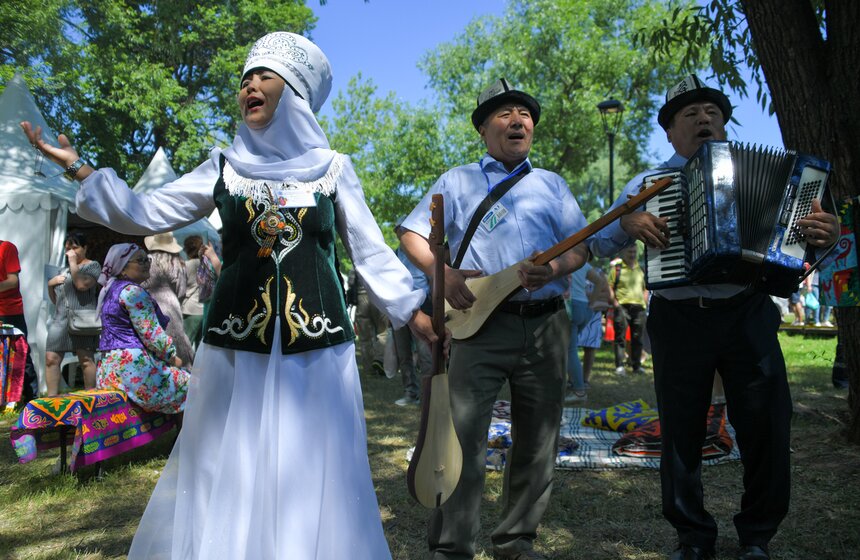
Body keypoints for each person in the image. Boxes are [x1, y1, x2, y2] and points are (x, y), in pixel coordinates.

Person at [23, 32, 436, 560]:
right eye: (244, 79)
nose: (249, 87)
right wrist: (79, 168)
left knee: (310, 467)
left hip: (317, 353)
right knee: (230, 463)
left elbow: (371, 252)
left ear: (295, 94)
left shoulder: (334, 169)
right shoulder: (223, 167)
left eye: (264, 77)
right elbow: (144, 212)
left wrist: (414, 312)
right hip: (236, 351)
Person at [589, 75, 840, 560]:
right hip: (679, 316)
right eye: (691, 114)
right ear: (669, 131)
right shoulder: (645, 184)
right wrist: (625, 221)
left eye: (713, 112)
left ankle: (757, 537)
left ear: (723, 123)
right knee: (681, 429)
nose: (705, 119)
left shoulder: (782, 176)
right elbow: (599, 243)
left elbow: (803, 245)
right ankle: (693, 536)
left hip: (747, 310)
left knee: (768, 421)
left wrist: (823, 232)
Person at [400, 78, 588, 560]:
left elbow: (581, 247)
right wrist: (440, 271)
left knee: (539, 438)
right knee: (461, 438)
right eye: (503, 114)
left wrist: (555, 267)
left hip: (546, 324)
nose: (517, 121)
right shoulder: (456, 181)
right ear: (484, 129)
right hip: (475, 322)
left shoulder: (553, 185)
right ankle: (451, 547)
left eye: (523, 115)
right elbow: (412, 234)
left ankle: (516, 542)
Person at [96, 243, 189, 414]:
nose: (147, 263)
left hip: (107, 371)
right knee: (192, 385)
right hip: (131, 371)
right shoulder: (132, 292)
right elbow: (152, 334)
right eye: (140, 260)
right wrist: (172, 357)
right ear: (122, 268)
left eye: (147, 259)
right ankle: (186, 439)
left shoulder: (110, 290)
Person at [44, 230, 101, 395]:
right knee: (51, 358)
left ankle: (90, 397)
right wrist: (50, 284)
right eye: (67, 247)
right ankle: (51, 400)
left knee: (85, 360)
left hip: (82, 320)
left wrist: (72, 262)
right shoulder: (64, 270)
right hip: (60, 320)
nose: (70, 251)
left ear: (85, 248)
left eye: (75, 247)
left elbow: (81, 285)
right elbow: (57, 300)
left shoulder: (93, 266)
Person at [392, 222, 433, 406]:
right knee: (403, 353)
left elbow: (432, 279)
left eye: (401, 228)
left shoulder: (423, 249)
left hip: (422, 305)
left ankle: (429, 397)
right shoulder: (394, 254)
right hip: (400, 306)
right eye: (397, 229)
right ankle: (410, 393)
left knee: (426, 355)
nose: (399, 232)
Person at [142, 232, 194, 365]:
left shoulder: (145, 260)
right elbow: (181, 291)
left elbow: (141, 283)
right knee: (176, 340)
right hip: (171, 303)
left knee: (152, 338)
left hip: (148, 302)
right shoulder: (178, 262)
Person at [0, 239, 38, 403]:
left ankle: (33, 399)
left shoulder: (6, 247)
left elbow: (13, 281)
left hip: (9, 310)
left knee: (20, 354)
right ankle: (6, 399)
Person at [607, 244, 648, 376]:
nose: (632, 254)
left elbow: (646, 287)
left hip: (639, 308)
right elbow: (609, 286)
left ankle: (636, 366)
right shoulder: (616, 269)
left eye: (634, 251)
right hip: (622, 307)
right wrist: (615, 304)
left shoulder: (640, 269)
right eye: (630, 251)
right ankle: (619, 366)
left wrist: (645, 301)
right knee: (620, 337)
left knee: (638, 338)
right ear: (624, 252)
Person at [348, 267, 389, 376]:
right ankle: (379, 359)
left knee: (365, 338)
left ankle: (368, 369)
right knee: (383, 332)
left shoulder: (355, 263)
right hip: (378, 298)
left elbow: (351, 282)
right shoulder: (379, 261)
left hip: (361, 299)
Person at [180, 235, 206, 351]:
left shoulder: (187, 265)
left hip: (189, 308)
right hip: (202, 309)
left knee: (186, 344)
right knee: (199, 346)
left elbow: (181, 288)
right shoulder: (205, 264)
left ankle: (185, 368)